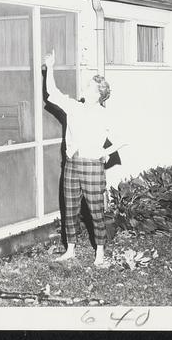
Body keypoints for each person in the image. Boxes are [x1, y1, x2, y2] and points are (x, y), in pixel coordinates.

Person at [43, 49, 125, 267]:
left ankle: (99, 253)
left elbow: (122, 139)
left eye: (90, 86)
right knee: (69, 209)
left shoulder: (104, 114)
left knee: (95, 211)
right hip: (71, 165)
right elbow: (52, 91)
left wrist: (105, 152)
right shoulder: (74, 107)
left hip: (91, 166)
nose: (85, 88)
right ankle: (70, 250)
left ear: (98, 93)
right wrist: (50, 67)